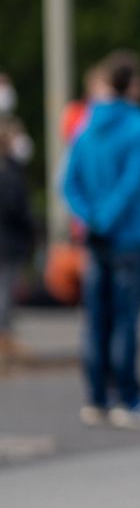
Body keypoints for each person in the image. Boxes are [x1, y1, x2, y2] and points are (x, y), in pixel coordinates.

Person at [61, 50, 140, 427]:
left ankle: (97, 398)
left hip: (94, 237)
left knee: (96, 319)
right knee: (125, 320)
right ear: (134, 85)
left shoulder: (85, 125)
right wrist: (107, 218)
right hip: (130, 236)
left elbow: (68, 182)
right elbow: (134, 183)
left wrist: (89, 218)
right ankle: (128, 398)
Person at [0, 115, 35, 369]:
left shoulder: (10, 169)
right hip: (8, 241)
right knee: (4, 292)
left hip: (9, 240)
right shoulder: (8, 172)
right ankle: (3, 337)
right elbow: (16, 208)